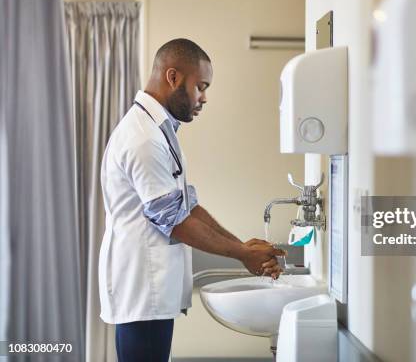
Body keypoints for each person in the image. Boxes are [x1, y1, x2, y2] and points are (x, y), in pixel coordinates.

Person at [98, 38, 284, 361]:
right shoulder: (142, 138)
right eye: (201, 86)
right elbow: (177, 223)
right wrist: (242, 253)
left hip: (152, 296)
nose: (204, 98)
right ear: (173, 77)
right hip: (142, 296)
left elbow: (188, 208)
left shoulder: (159, 132)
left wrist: (243, 247)